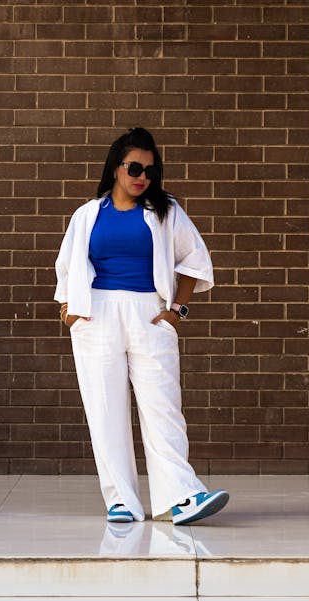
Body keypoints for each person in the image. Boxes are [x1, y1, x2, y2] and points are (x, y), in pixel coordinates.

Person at [54, 127, 229, 525]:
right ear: (116, 168)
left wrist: (177, 310)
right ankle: (122, 501)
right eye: (134, 167)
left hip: (149, 313)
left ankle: (181, 497)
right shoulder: (87, 215)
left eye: (150, 171)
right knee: (104, 409)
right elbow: (66, 268)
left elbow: (195, 260)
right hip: (96, 315)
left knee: (163, 406)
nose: (142, 177)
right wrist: (69, 311)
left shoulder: (166, 211)